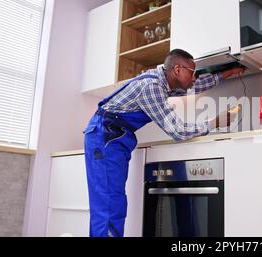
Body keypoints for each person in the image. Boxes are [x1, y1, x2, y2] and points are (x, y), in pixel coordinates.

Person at [83, 49, 245, 237]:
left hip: (113, 138)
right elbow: (178, 130)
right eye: (192, 72)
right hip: (104, 138)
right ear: (177, 69)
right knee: (109, 207)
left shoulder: (162, 82)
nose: (194, 77)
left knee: (114, 204)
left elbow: (195, 86)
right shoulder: (152, 87)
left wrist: (228, 73)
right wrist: (215, 122)